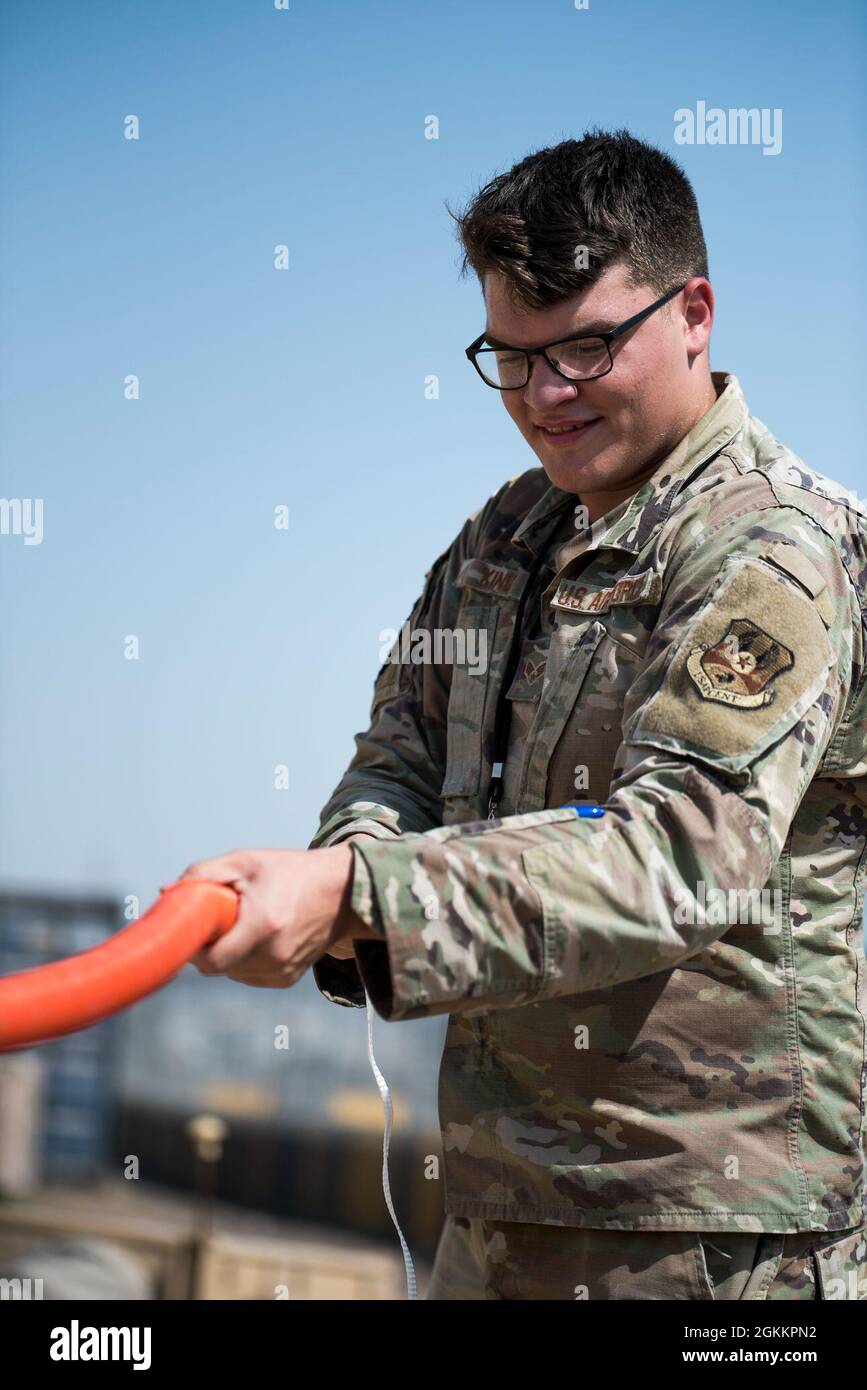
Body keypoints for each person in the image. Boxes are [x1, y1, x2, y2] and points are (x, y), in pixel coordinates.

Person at [182, 130, 867, 1301]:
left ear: (694, 312)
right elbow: (396, 753)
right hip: (500, 1211)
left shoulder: (773, 547)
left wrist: (360, 900)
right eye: (513, 357)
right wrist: (347, 876)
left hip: (713, 1240)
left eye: (589, 347)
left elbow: (681, 856)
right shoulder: (506, 537)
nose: (547, 395)